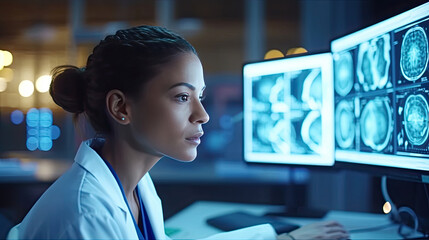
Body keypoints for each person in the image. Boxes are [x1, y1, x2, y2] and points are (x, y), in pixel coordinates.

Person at [7, 25, 349, 240]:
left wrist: (279, 238)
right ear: (121, 108)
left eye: (199, 97)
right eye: (182, 97)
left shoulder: (134, 182)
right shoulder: (87, 216)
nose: (202, 115)